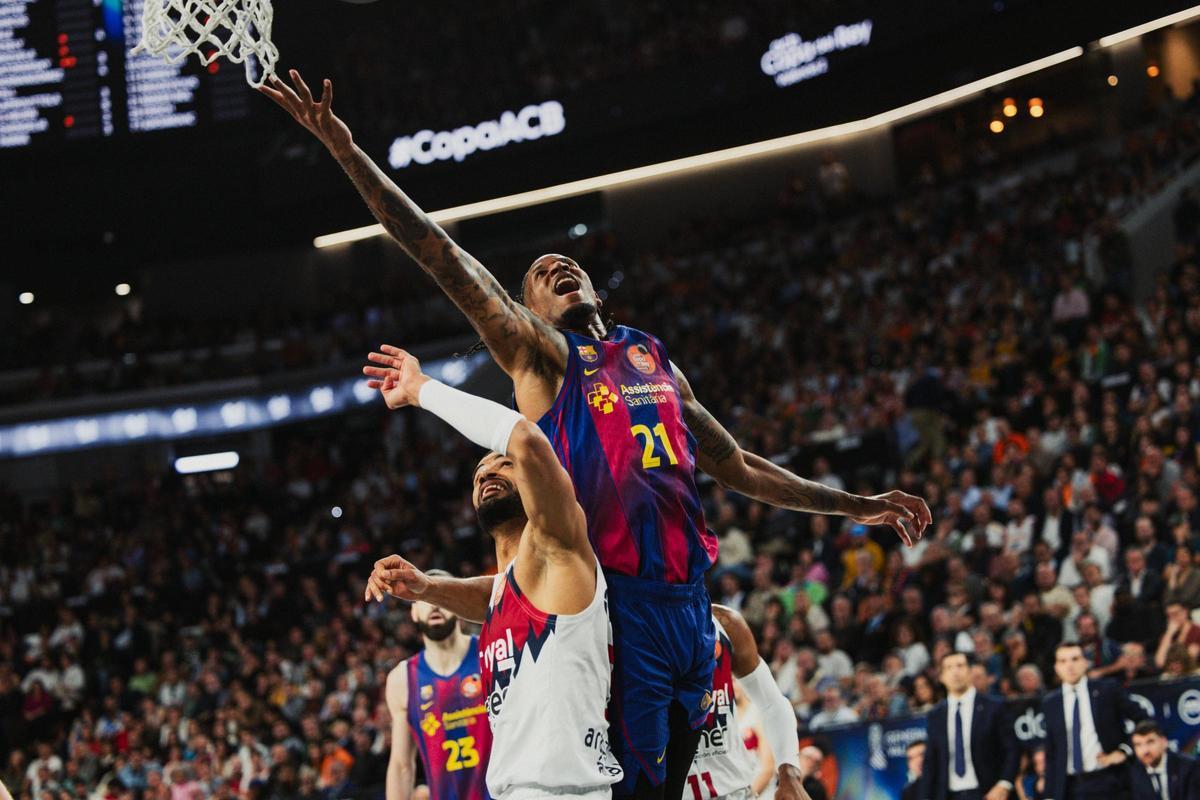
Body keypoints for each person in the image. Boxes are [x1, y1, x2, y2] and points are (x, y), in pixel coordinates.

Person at [255, 68, 931, 800]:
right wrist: (346, 149)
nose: (556, 266)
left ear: (598, 290)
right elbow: (441, 256)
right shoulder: (543, 356)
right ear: (525, 313)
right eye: (540, 275)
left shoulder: (653, 359)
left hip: (690, 603)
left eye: (567, 265)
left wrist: (854, 504)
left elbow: (740, 465)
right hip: (621, 603)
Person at [363, 347, 622, 800]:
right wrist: (426, 587)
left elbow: (524, 439)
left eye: (502, 464)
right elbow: (493, 597)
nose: (487, 472)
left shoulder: (556, 542)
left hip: (564, 791)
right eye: (480, 472)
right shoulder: (515, 588)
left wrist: (422, 390)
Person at [384, 573, 492, 800]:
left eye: (442, 597)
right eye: (424, 598)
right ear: (413, 612)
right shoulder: (402, 679)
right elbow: (402, 765)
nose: (434, 604)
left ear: (458, 606)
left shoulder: (490, 652)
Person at [686, 605, 806, 800]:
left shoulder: (725, 622)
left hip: (738, 792)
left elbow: (772, 703)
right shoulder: (629, 626)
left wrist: (790, 775)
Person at [1041, 642, 1147, 800]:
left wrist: (1124, 750)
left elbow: (1143, 719)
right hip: (1069, 787)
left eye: (1075, 659)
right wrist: (1049, 795)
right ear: (1056, 667)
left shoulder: (1107, 689)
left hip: (1109, 780)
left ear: (1085, 662)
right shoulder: (1051, 702)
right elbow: (1052, 753)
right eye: (1063, 661)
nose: (1069, 666)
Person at [918, 652, 1018, 800]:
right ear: (941, 677)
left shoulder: (995, 707)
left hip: (988, 793)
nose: (955, 672)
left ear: (970, 672)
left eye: (960, 666)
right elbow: (931, 762)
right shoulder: (935, 715)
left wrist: (1004, 784)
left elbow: (1012, 749)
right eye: (949, 668)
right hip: (949, 795)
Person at [1128, 720, 1200, 800]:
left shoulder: (1188, 767)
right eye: (1138, 745)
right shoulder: (1135, 772)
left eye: (1150, 742)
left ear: (1164, 742)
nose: (1145, 750)